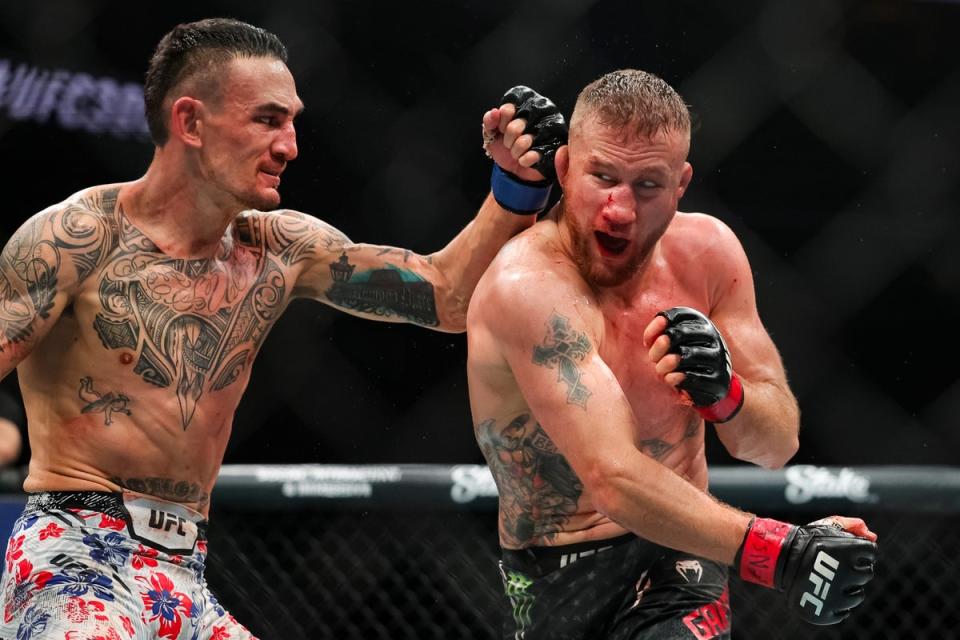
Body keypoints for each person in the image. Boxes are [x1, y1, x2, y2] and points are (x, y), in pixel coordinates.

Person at [0, 18, 567, 639]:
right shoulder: (73, 240)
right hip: (74, 555)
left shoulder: (279, 250)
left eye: (292, 120)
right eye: (268, 120)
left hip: (185, 573)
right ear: (190, 122)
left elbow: (446, 298)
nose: (291, 145)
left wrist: (515, 187)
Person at [466, 69, 879, 639]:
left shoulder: (707, 253)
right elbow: (611, 476)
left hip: (679, 556)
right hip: (554, 575)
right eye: (602, 176)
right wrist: (781, 550)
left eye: (647, 185)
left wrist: (727, 395)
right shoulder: (527, 285)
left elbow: (776, 443)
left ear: (682, 183)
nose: (619, 209)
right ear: (563, 169)